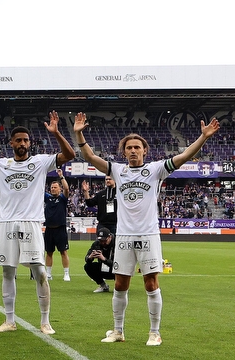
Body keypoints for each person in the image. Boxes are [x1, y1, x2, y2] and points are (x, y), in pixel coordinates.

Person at [73, 112, 219, 346]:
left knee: (151, 283)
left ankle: (154, 332)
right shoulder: (117, 171)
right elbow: (89, 156)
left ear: (144, 151)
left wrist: (203, 138)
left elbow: (183, 156)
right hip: (124, 236)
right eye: (129, 147)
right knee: (120, 285)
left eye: (137, 147)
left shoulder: (156, 169)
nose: (132, 151)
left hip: (148, 235)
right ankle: (118, 331)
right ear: (124, 152)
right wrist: (79, 132)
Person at [0, 112, 76, 335]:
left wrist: (56, 133)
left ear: (29, 143)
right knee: (8, 272)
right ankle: (9, 320)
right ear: (11, 143)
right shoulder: (0, 164)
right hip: (6, 223)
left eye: (26, 140)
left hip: (31, 223)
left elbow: (70, 154)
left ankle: (45, 322)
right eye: (19, 140)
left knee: (39, 272)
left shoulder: (40, 162)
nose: (23, 143)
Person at [44, 170, 71, 282]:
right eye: (52, 187)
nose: (53, 189)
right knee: (49, 252)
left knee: (63, 252)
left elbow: (67, 189)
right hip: (49, 229)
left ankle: (66, 274)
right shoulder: (47, 198)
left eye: (55, 187)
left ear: (59, 189)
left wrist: (61, 176)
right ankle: (48, 274)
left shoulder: (62, 199)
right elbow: (39, 190)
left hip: (60, 229)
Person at [84, 226, 115, 293]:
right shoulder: (96, 244)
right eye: (101, 241)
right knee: (87, 266)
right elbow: (86, 258)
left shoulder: (117, 244)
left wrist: (104, 259)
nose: (102, 243)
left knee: (120, 268)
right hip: (104, 268)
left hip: (116, 270)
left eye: (104, 240)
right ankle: (103, 286)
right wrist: (90, 257)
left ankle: (120, 286)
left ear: (110, 237)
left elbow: (118, 264)